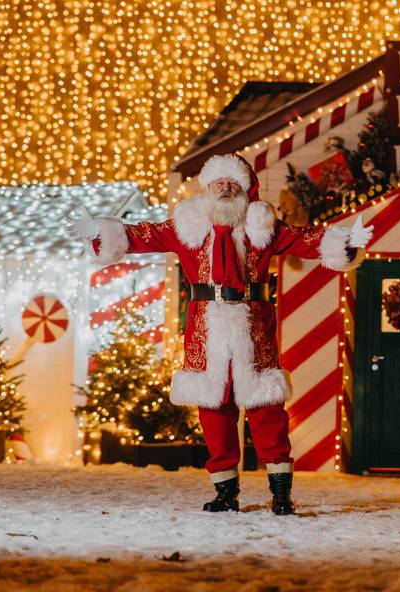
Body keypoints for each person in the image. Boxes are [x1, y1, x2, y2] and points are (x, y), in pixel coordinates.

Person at [68, 154, 372, 515]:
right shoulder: (187, 225)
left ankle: (280, 492)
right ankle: (225, 492)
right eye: (219, 183)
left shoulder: (263, 226)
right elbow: (140, 235)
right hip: (206, 330)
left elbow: (306, 239)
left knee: (266, 411)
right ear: (208, 187)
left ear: (244, 188)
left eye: (233, 183)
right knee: (214, 412)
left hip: (253, 327)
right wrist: (102, 232)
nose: (226, 189)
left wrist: (346, 241)